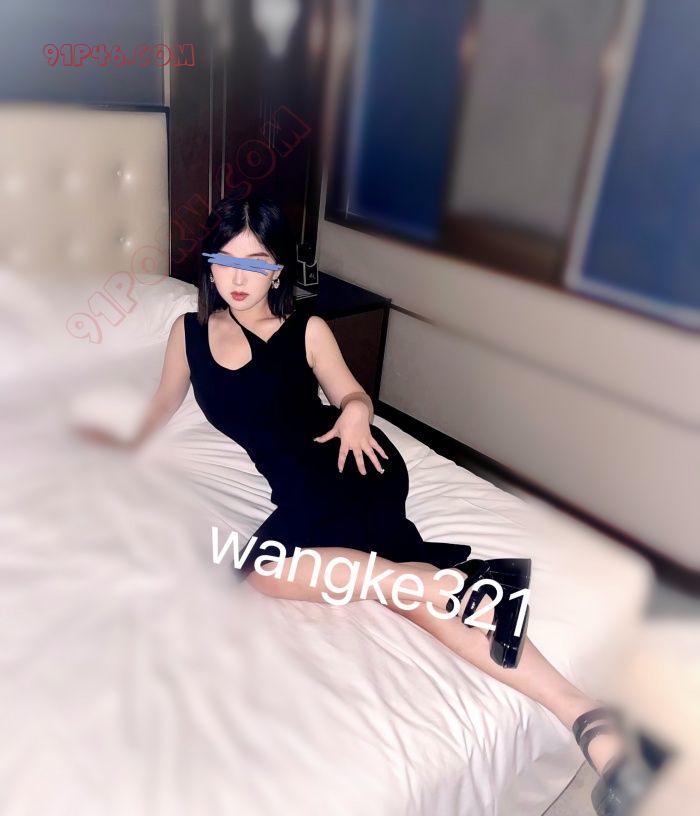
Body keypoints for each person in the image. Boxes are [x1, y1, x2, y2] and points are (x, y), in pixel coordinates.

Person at [77, 193, 664, 815]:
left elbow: (351, 395)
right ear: (209, 262)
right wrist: (120, 447)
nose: (239, 277)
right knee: (405, 593)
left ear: (278, 270)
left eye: (257, 262)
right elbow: (164, 401)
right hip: (302, 486)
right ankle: (591, 722)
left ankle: (441, 587)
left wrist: (357, 413)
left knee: (264, 572)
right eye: (227, 259)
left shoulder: (307, 330)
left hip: (350, 462)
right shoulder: (187, 332)